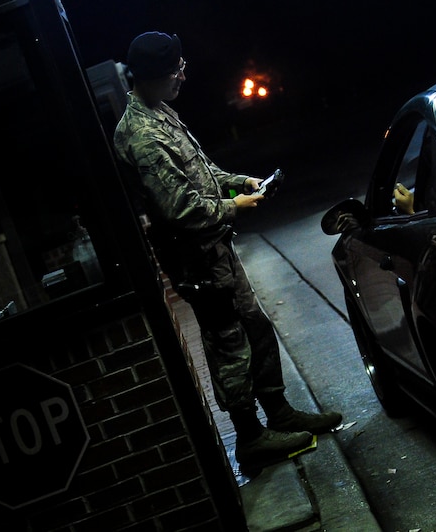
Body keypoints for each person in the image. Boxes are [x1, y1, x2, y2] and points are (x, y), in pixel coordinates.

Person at [113, 31, 341, 471]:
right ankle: (250, 436)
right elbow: (180, 207)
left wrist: (239, 182)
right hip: (195, 258)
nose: (183, 74)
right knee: (228, 343)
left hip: (214, 249)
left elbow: (201, 173)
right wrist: (234, 206)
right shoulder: (141, 135)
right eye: (176, 69)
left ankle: (278, 412)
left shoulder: (160, 112)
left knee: (254, 325)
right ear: (153, 75)